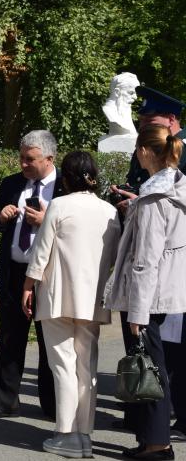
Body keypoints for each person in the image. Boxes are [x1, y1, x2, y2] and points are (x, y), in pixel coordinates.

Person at [20, 151, 121, 457]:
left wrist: (28, 285)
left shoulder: (59, 205)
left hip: (57, 297)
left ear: (66, 178)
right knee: (86, 367)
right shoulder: (109, 211)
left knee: (63, 365)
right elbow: (113, 258)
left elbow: (41, 251)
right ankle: (84, 435)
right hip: (93, 300)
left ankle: (65, 433)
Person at [104, 124, 186, 460]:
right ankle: (151, 439)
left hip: (148, 296)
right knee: (154, 367)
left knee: (150, 369)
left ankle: (157, 445)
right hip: (166, 291)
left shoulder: (154, 197)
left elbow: (146, 260)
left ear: (144, 151)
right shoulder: (175, 186)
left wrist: (137, 311)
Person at [0, 130, 63, 419]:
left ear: (49, 159)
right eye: (21, 158)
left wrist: (47, 220)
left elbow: (78, 227)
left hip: (49, 275)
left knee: (50, 340)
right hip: (14, 272)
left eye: (30, 159)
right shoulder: (12, 183)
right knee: (10, 338)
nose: (23, 164)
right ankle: (4, 402)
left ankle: (53, 406)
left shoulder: (65, 186)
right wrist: (0, 218)